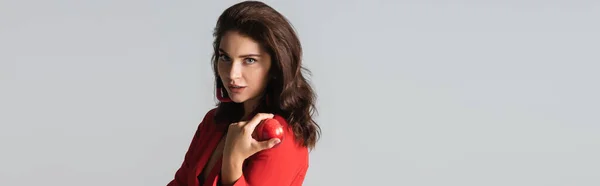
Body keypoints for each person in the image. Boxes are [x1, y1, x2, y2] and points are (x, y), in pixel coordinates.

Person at [167, 1, 321, 186]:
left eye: (249, 60)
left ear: (276, 66)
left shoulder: (277, 136)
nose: (232, 74)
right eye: (225, 58)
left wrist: (232, 161)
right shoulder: (213, 122)